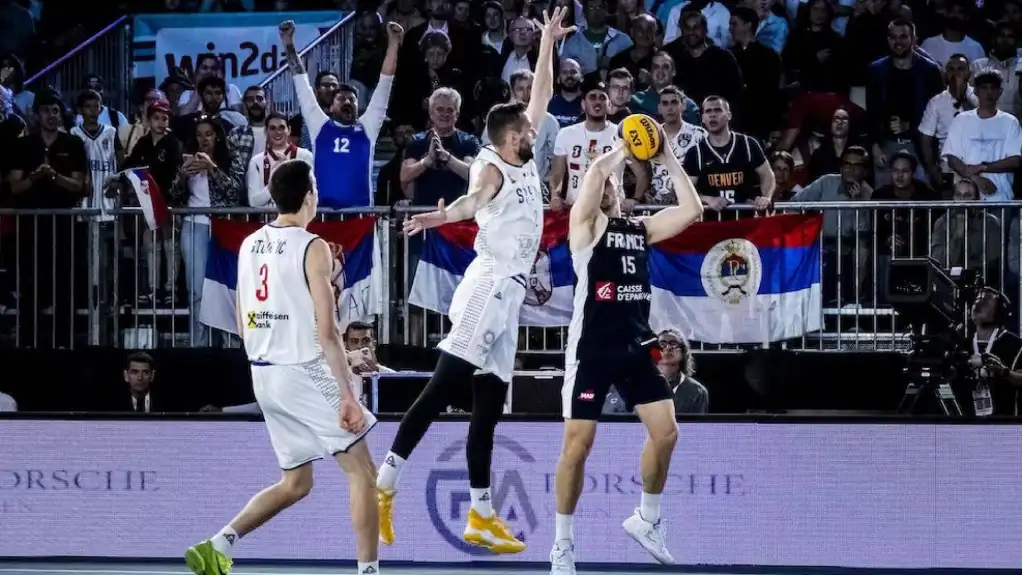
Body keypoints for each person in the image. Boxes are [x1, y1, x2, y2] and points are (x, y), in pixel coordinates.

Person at [375, 7, 575, 554]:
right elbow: (472, 199)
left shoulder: (522, 152)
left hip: (509, 295)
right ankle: (385, 482)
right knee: (442, 387)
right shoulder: (491, 163)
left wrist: (548, 44)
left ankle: (481, 513)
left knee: (488, 400)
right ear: (511, 138)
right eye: (529, 129)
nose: (537, 128)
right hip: (488, 284)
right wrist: (437, 217)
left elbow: (542, 92)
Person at [184, 160, 380, 575]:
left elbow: (241, 320)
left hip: (264, 372)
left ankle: (218, 544)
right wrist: (347, 395)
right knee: (363, 472)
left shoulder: (250, 244)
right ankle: (369, 572)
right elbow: (327, 333)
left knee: (297, 483)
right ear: (310, 195)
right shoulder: (313, 247)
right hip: (304, 369)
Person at [550, 123, 704, 574]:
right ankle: (562, 544)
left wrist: (666, 157)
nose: (606, 186)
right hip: (592, 349)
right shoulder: (585, 227)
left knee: (667, 433)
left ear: (622, 192)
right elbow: (596, 173)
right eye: (600, 184)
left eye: (614, 184)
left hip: (637, 346)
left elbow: (691, 210)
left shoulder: (640, 228)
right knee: (578, 446)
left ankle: (646, 518)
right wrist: (625, 147)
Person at [281, 19, 401, 208]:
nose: (348, 102)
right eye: (342, 99)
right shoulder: (318, 125)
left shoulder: (368, 127)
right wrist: (288, 42)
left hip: (360, 220)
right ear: (330, 107)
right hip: (323, 217)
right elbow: (300, 80)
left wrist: (394, 42)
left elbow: (385, 82)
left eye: (352, 99)